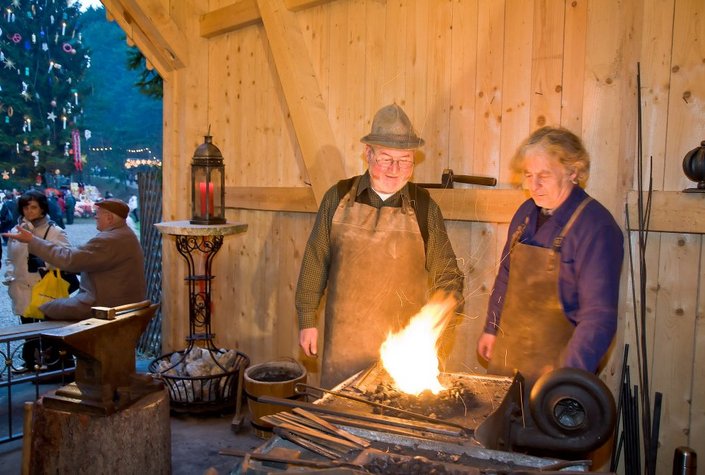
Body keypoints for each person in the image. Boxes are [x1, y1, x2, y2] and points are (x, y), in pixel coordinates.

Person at [296, 103, 464, 388]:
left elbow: (447, 277)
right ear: (368, 154)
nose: (395, 169)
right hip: (344, 345)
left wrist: (437, 335)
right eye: (386, 158)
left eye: (405, 160)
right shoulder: (337, 198)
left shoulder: (424, 208)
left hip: (403, 352)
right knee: (343, 418)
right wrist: (307, 319)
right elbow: (315, 261)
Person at [476, 126, 624, 385]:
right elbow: (506, 276)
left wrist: (564, 376)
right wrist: (492, 328)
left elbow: (598, 317)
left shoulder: (596, 227)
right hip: (508, 362)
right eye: (528, 175)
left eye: (544, 175)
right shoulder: (524, 214)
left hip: (558, 372)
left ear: (573, 172)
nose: (534, 185)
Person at [4, 198, 146, 321]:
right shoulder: (124, 235)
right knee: (48, 306)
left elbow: (69, 259)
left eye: (98, 214)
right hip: (119, 301)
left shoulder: (110, 239)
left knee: (41, 308)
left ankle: (54, 350)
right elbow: (83, 258)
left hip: (104, 305)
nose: (95, 217)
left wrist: (32, 240)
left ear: (109, 218)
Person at [3, 190, 70, 372]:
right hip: (22, 285)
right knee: (27, 327)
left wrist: (45, 262)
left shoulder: (54, 231)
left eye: (33, 207)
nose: (29, 211)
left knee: (48, 327)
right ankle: (29, 361)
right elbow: (10, 257)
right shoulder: (15, 230)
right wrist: (10, 276)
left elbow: (66, 256)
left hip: (45, 286)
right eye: (25, 207)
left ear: (42, 209)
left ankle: (53, 362)